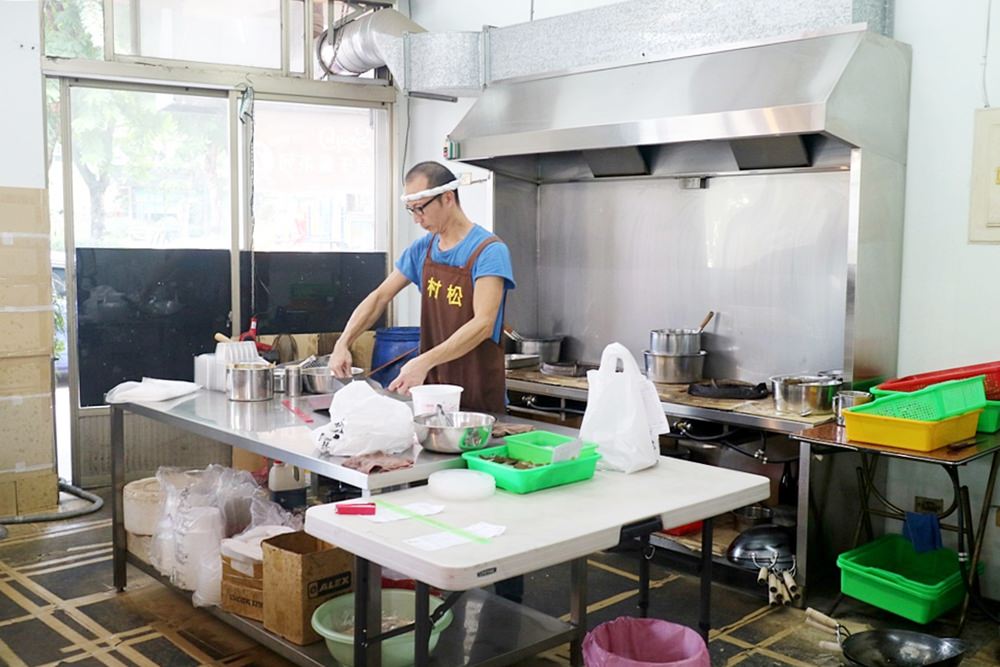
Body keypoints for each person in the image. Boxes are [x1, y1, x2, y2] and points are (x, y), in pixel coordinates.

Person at [329, 161, 515, 413]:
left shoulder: (489, 251)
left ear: (448, 198)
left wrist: (424, 361)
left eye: (421, 209)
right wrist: (343, 341)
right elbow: (380, 297)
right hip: (432, 396)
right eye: (411, 211)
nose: (417, 219)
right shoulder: (422, 250)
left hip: (478, 400)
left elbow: (483, 324)